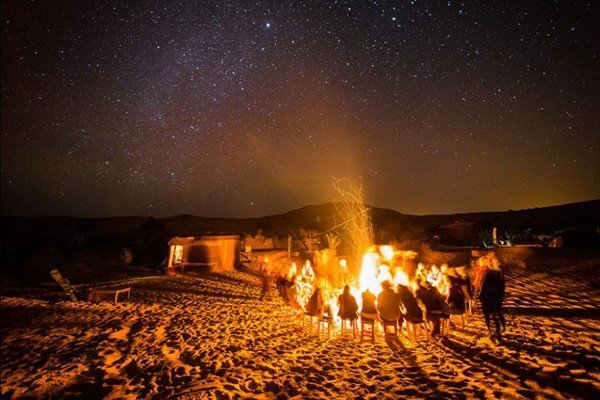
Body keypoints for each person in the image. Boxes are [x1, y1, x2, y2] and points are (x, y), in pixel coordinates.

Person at [480, 259, 506, 341]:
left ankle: (494, 332)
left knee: (490, 316)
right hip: (495, 298)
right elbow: (501, 286)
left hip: (489, 298)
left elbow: (484, 286)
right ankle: (497, 332)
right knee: (494, 315)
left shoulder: (489, 274)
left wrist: (482, 296)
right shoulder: (497, 273)